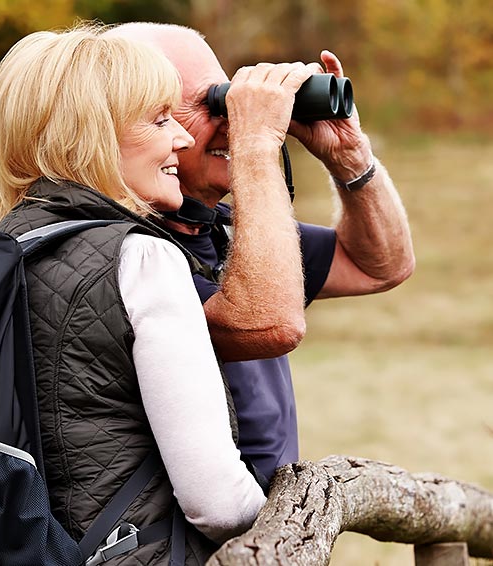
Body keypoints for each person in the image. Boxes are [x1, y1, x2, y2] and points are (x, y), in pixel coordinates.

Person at [0, 26, 269, 564]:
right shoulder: (143, 260)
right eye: (159, 121)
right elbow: (218, 501)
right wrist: (294, 518)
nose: (181, 139)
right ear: (92, 135)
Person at [106, 23, 416, 481]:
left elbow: (380, 265)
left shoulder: (227, 229)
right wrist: (256, 144)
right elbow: (268, 324)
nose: (231, 116)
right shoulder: (128, 252)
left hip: (271, 529)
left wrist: (349, 155)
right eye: (207, 103)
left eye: (227, 95)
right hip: (188, 538)